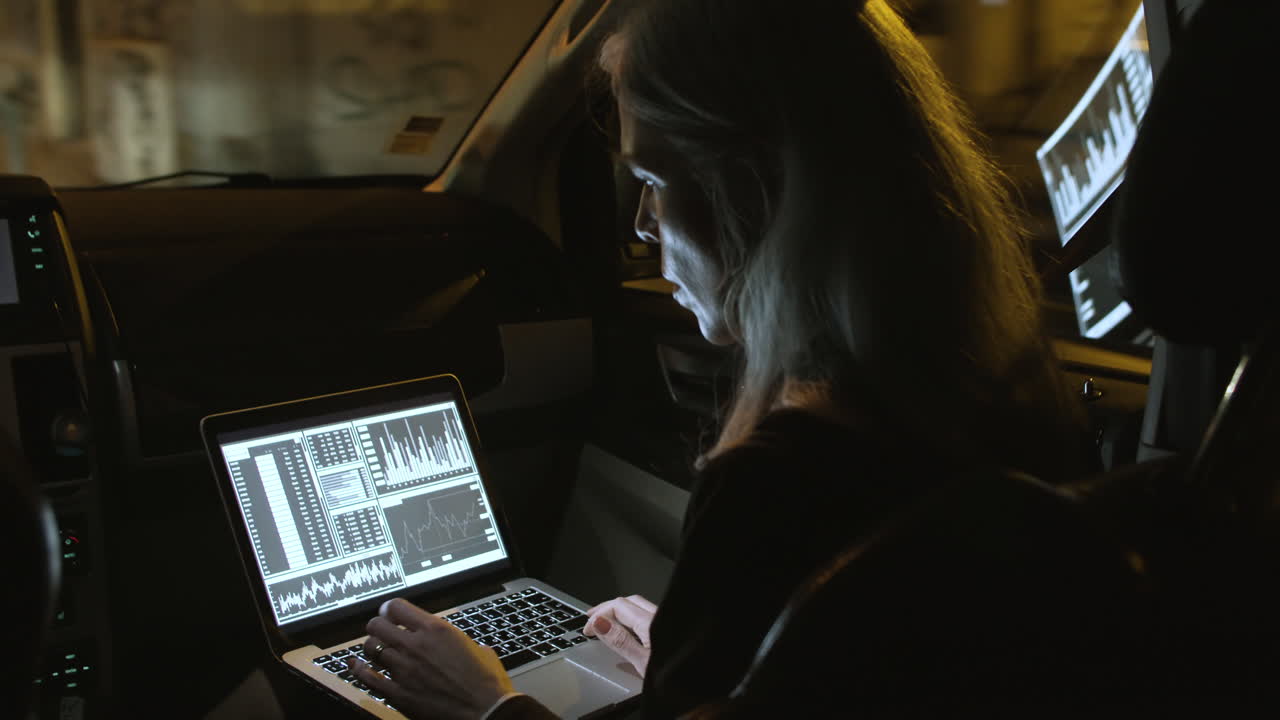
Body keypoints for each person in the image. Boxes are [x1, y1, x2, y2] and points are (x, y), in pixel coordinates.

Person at [343, 0, 1099, 717]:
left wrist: (489, 705)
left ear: (757, 186)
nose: (642, 224)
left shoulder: (780, 478)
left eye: (652, 180)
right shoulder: (1008, 407)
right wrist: (699, 658)